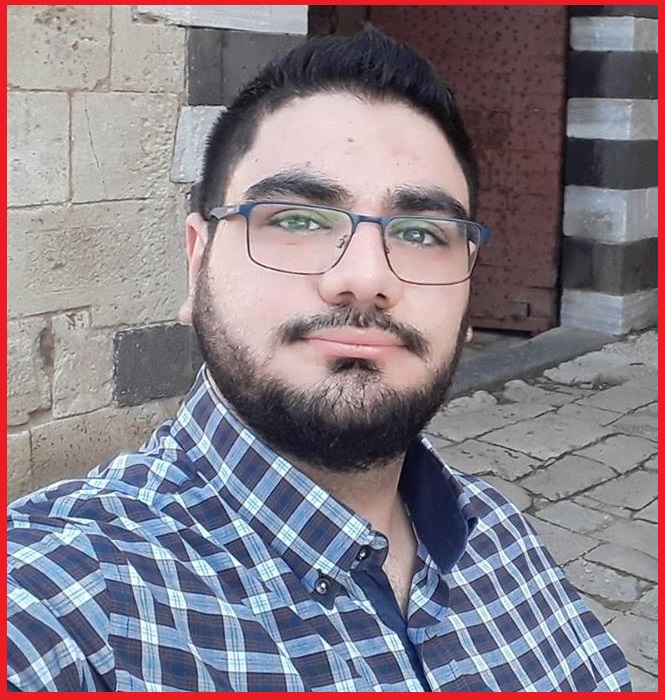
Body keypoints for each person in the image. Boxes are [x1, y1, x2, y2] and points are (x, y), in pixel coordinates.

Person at [7, 28, 631, 692]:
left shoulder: (499, 535)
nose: (365, 278)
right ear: (197, 263)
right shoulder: (65, 595)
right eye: (298, 220)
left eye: (421, 233)